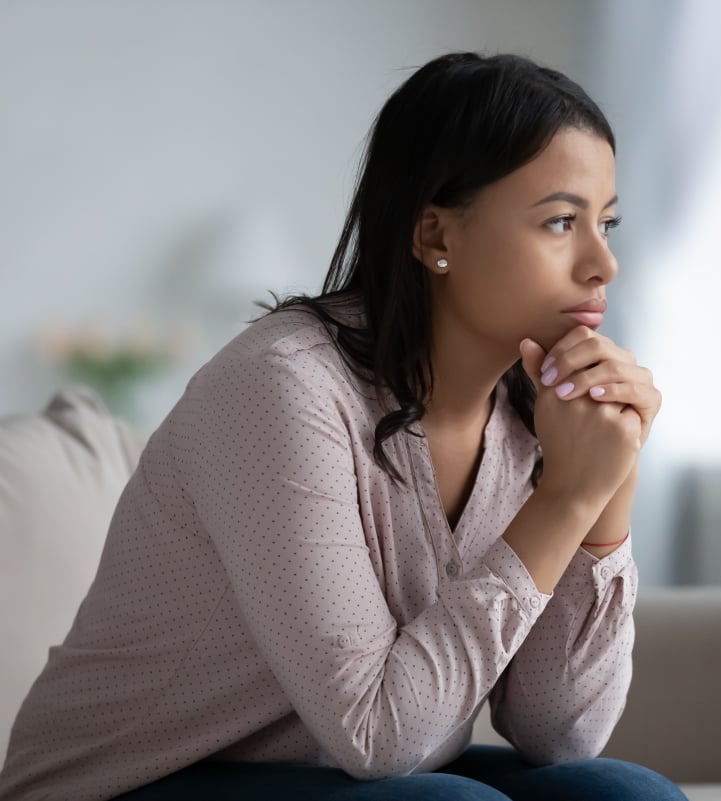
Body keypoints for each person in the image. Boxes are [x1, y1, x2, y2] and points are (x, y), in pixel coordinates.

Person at [0, 52, 685, 801]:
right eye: (559, 220)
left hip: (349, 776)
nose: (602, 264)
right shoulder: (281, 386)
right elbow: (377, 733)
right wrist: (563, 502)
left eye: (606, 223)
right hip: (124, 783)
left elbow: (561, 735)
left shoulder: (540, 409)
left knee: (620, 792)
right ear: (433, 236)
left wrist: (602, 495)